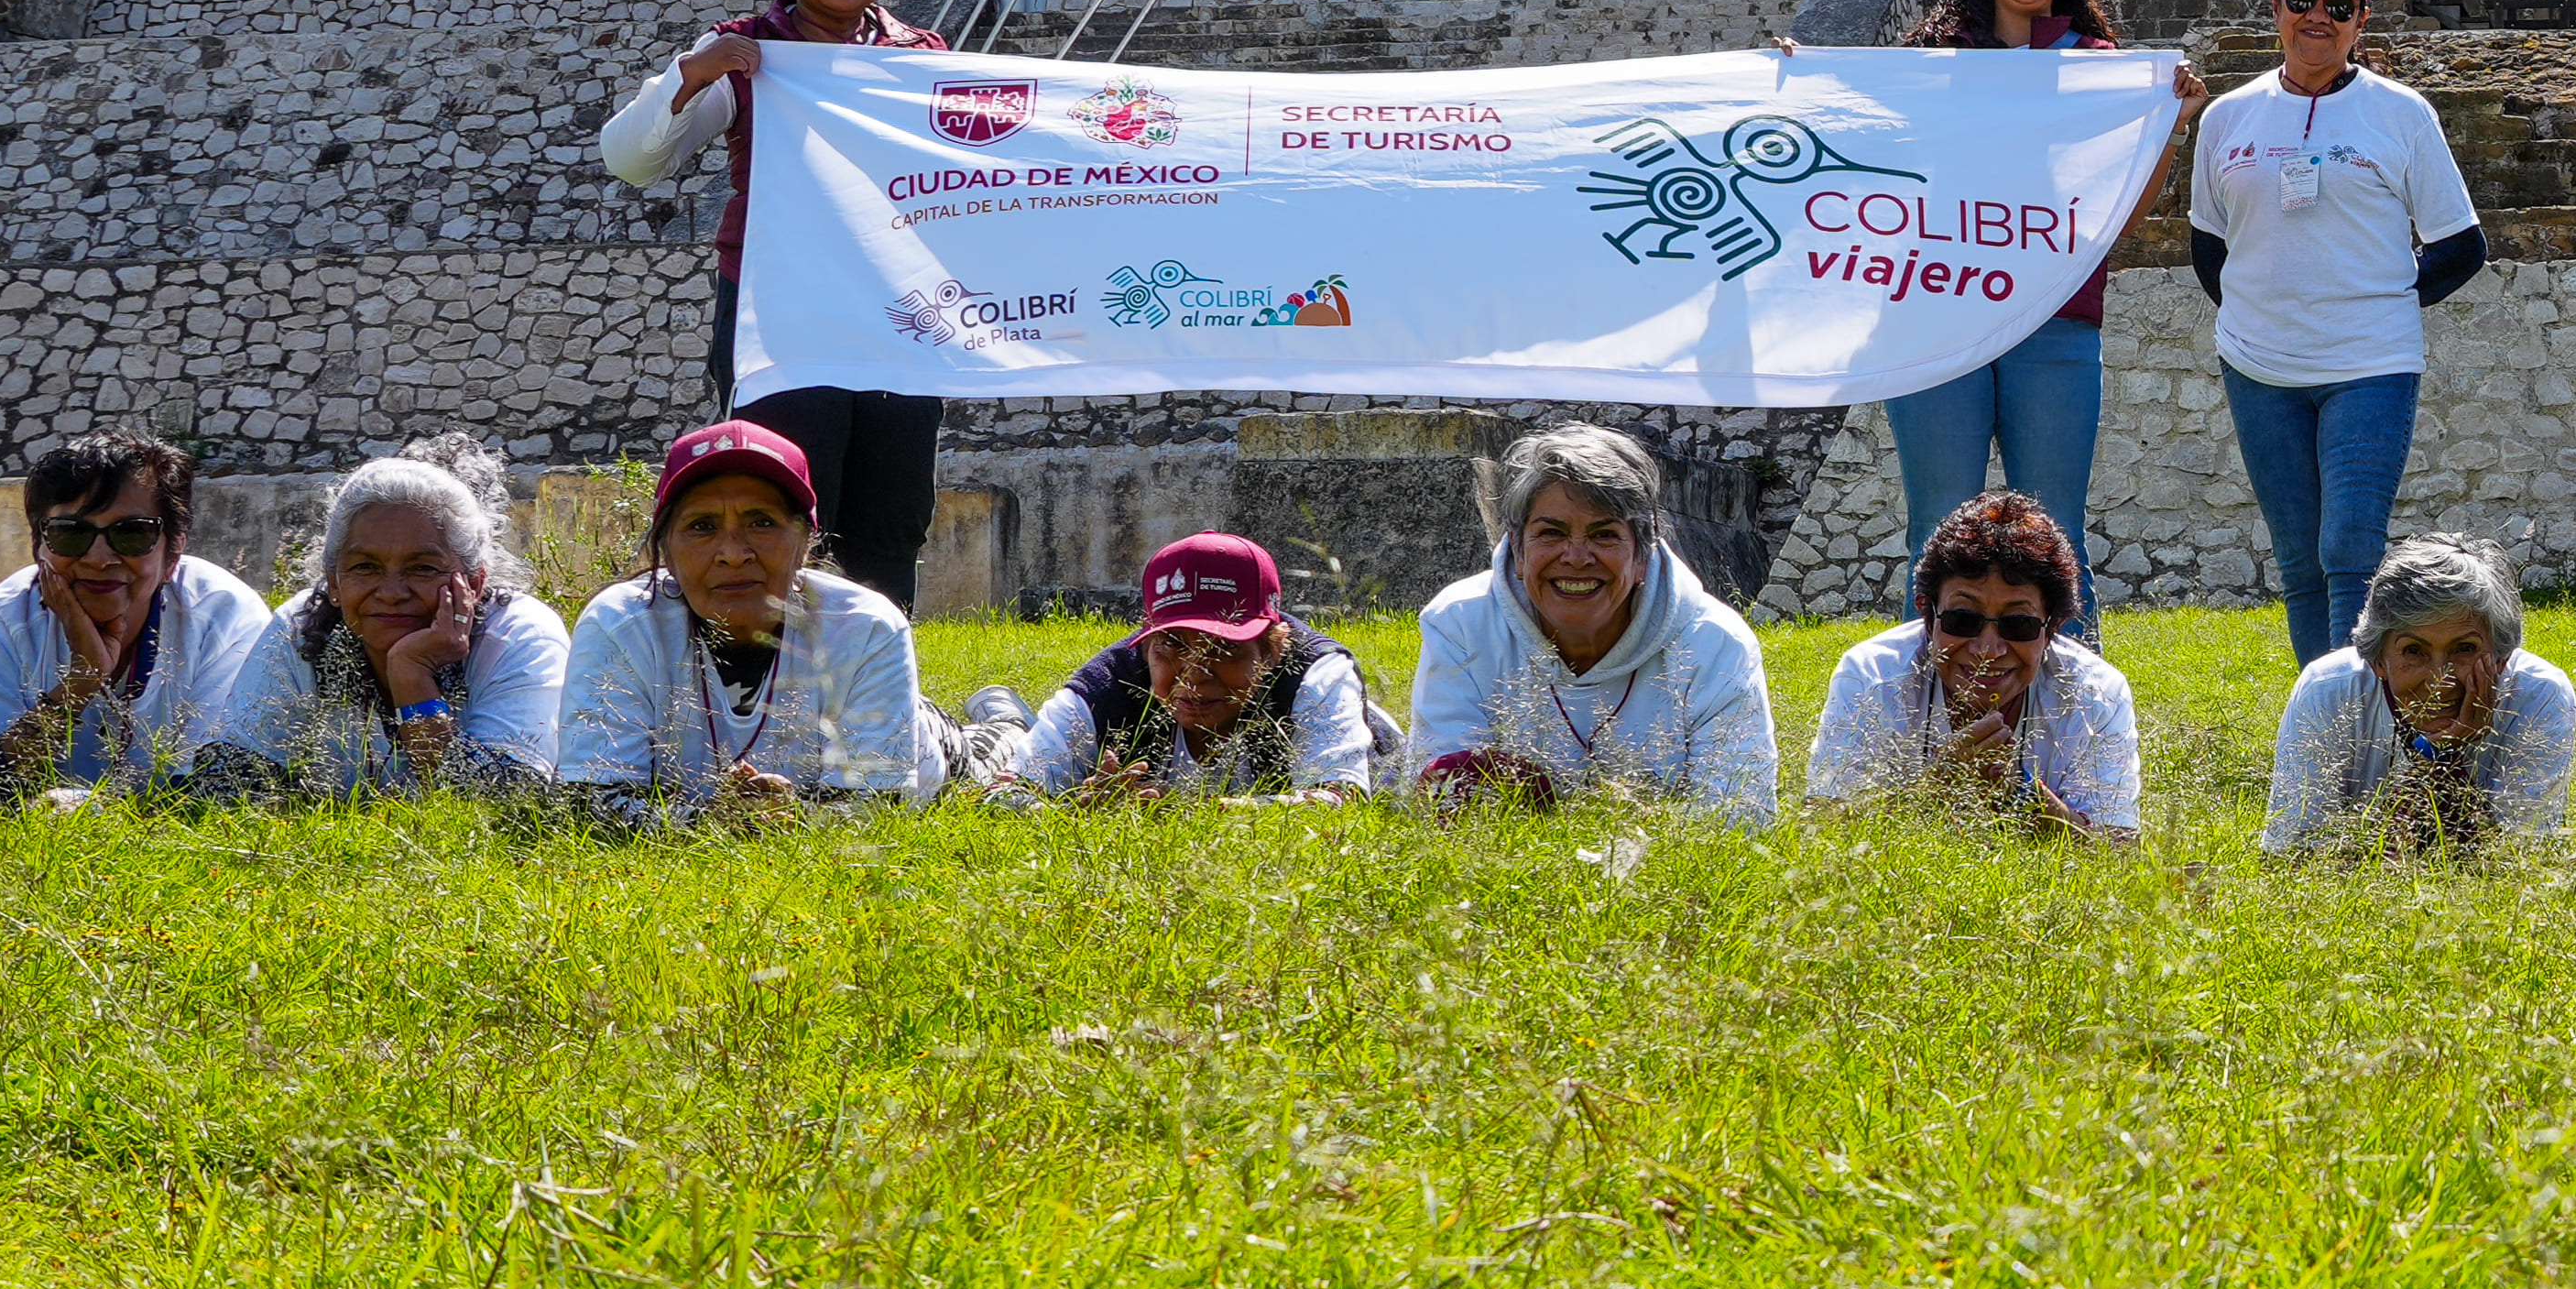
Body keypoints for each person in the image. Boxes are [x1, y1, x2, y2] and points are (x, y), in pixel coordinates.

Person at [596, 0, 959, 611]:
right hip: (780, 313)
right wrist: (694, 73)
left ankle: (879, 674)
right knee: (784, 494)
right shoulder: (747, 56)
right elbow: (631, 159)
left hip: (898, 308)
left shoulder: (920, 56)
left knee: (894, 509)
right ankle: (773, 672)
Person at [1878, 0, 2211, 640]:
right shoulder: (1926, 58)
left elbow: (2118, 217)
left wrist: (2168, 122)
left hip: (2055, 320)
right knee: (1935, 528)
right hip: (1937, 317)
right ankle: (1917, 721)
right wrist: (1798, 84)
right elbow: (1858, 147)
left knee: (2054, 533)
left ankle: (2075, 723)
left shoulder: (2098, 66)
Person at [2188, 0, 2487, 663]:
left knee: (2349, 550)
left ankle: (2361, 719)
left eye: (2338, 3)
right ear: (2276, 7)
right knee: (2297, 561)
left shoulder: (2401, 113)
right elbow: (2206, 245)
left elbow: (2461, 246)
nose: (2317, 15)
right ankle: (2317, 727)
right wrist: (2264, 313)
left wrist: (2372, 300)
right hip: (2259, 367)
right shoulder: (2226, 116)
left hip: (2369, 363)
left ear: (2360, 20)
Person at [558, 419, 949, 827]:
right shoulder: (621, 625)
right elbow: (587, 802)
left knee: (985, 749)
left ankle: (1002, 719)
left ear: (804, 543)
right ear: (666, 551)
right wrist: (713, 823)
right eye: (702, 526)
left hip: (929, 746)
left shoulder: (864, 626)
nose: (733, 552)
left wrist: (795, 818)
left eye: (761, 522)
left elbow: (874, 807)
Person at [1409, 423, 1780, 824]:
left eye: (1604, 535)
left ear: (1642, 556)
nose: (1577, 557)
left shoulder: (1715, 643)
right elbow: (1445, 799)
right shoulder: (1461, 624)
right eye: (1551, 533)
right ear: (1517, 550)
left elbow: (1737, 817)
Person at [0, 430, 279, 812]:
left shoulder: (223, 614)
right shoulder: (4, 618)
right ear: (38, 546)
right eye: (70, 534)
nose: (98, 558)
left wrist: (92, 810)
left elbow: (223, 793)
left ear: (174, 550)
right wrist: (79, 683)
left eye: (133, 533)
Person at [200, 435, 570, 798]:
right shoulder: (301, 627)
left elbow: (505, 801)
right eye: (365, 567)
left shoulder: (518, 636)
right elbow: (223, 779)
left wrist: (412, 673)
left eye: (423, 568)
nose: (392, 593)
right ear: (333, 581)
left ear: (474, 582)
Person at [1804, 492, 2142, 841]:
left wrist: (2026, 794)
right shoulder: (1872, 676)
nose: (1988, 650)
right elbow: (1821, 830)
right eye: (1962, 619)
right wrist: (1935, 789)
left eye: (2019, 624)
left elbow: (2119, 851)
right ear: (1927, 614)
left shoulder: (2096, 692)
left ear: (2052, 628)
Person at [1009, 533, 1403, 803]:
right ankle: (1004, 720)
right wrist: (1073, 812)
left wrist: (1194, 809)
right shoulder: (1105, 686)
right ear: (1145, 647)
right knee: (1000, 751)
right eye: (1172, 647)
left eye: (1224, 649)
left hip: (1370, 744)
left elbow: (1341, 799)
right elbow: (1003, 792)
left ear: (1272, 650)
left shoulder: (1317, 676)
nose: (1195, 674)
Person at [2264, 533, 2576, 855]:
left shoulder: (2539, 694)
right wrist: (2437, 753)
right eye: (2414, 651)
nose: (2441, 679)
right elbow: (2292, 856)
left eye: (2465, 649)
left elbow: (2524, 859)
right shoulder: (2328, 689)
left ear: (2501, 656)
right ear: (2377, 661)